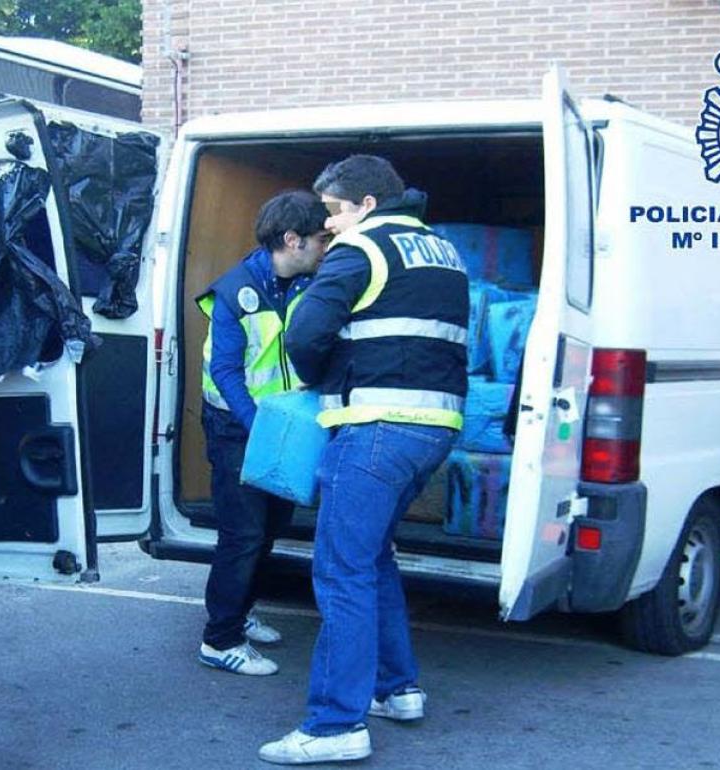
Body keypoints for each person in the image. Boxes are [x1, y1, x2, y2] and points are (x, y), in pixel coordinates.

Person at [261, 156, 469, 764]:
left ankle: (334, 727)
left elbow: (303, 336)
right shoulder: (441, 251)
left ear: (367, 206)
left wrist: (321, 381)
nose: (329, 228)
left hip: (374, 429)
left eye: (333, 213)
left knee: (340, 571)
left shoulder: (361, 250)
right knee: (372, 559)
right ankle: (397, 689)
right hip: (434, 430)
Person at [195, 190, 331, 676]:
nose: (325, 246)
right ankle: (220, 639)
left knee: (271, 528)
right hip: (238, 426)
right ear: (291, 240)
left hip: (283, 427)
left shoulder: (307, 284)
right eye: (320, 238)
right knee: (243, 533)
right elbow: (227, 370)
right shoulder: (236, 291)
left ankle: (241, 612)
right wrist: (260, 430)